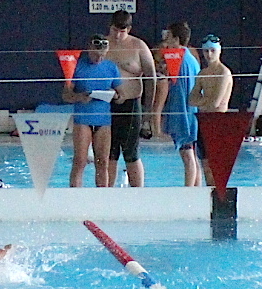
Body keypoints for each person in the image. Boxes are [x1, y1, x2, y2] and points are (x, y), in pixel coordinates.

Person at [104, 10, 157, 187]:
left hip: (131, 105)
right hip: (107, 105)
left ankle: (138, 193)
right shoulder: (103, 45)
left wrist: (148, 112)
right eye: (115, 30)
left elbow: (151, 78)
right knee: (109, 152)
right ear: (110, 26)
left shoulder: (138, 46)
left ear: (129, 29)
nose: (118, 35)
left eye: (122, 31)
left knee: (131, 152)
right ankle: (107, 193)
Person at [64, 34, 122, 187]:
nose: (99, 59)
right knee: (80, 161)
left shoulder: (111, 67)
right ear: (89, 49)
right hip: (83, 119)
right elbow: (66, 96)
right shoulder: (76, 66)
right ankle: (75, 194)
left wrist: (114, 95)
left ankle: (102, 195)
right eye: (96, 55)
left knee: (102, 162)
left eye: (102, 56)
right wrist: (79, 97)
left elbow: (120, 95)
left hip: (103, 119)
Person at [189, 34, 234, 186]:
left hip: (218, 122)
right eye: (206, 51)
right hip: (203, 122)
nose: (209, 54)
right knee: (206, 166)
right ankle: (210, 194)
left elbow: (215, 104)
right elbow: (191, 100)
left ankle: (218, 194)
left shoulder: (224, 72)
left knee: (216, 167)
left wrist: (203, 101)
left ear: (219, 51)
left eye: (212, 50)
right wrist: (206, 101)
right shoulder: (202, 74)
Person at [161, 22, 202, 187]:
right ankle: (197, 191)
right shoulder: (190, 59)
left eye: (169, 37)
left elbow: (181, 92)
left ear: (176, 39)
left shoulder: (180, 59)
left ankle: (188, 192)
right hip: (191, 112)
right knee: (193, 155)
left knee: (187, 155)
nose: (166, 41)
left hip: (184, 114)